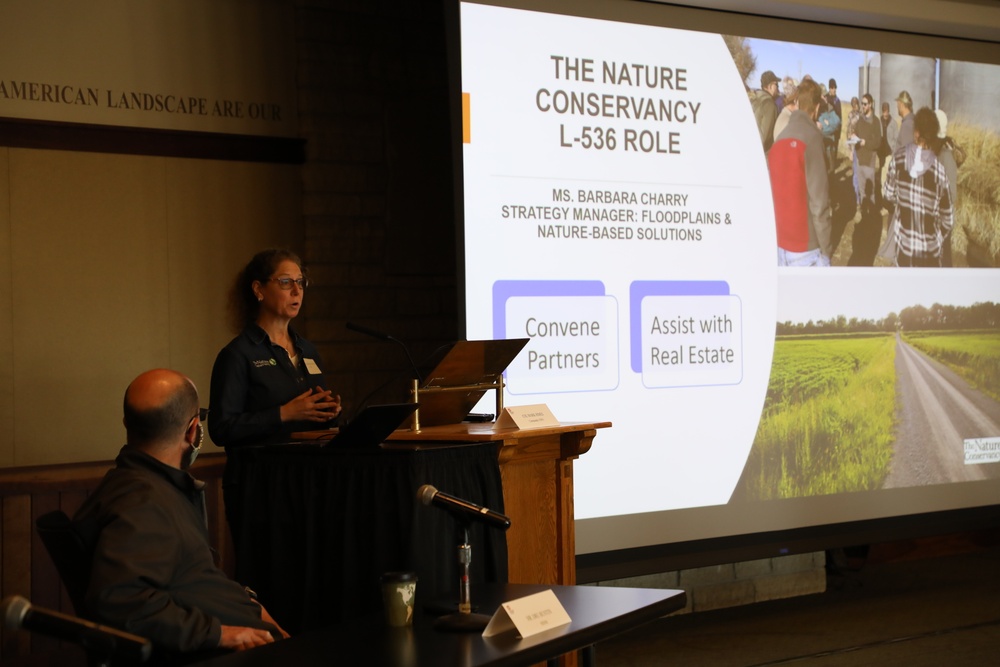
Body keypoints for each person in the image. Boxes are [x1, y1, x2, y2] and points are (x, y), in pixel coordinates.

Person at [73, 369, 288, 655]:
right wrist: (220, 634)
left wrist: (250, 605)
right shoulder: (142, 503)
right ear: (193, 429)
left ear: (127, 423)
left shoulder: (148, 484)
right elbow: (120, 600)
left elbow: (192, 579)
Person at [209, 248, 342, 449]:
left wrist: (329, 413)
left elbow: (313, 423)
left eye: (301, 282)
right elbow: (221, 429)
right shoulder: (238, 354)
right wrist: (283, 414)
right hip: (261, 474)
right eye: (286, 282)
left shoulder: (308, 350)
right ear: (258, 289)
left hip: (307, 471)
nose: (297, 291)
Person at [769, 78, 833, 266]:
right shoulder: (812, 139)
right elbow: (819, 203)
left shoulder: (779, 139)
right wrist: (827, 249)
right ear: (817, 109)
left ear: (797, 103)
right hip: (806, 248)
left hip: (779, 244)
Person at [882, 107, 954, 267]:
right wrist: (935, 239)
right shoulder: (940, 172)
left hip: (903, 255)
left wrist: (904, 200)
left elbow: (887, 194)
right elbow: (948, 220)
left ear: (916, 132)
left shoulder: (898, 159)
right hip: (930, 259)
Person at [847, 94, 882, 266]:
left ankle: (871, 219)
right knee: (861, 189)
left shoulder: (876, 122)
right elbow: (857, 135)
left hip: (869, 161)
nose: (863, 106)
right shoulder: (860, 120)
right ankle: (863, 213)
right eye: (862, 103)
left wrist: (865, 142)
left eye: (866, 104)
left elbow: (878, 142)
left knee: (871, 192)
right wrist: (853, 139)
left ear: (871, 104)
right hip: (859, 160)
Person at [935, 109, 959, 266]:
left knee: (944, 258)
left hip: (940, 220)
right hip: (933, 219)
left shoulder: (946, 156)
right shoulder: (935, 151)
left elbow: (952, 195)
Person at [750, 70, 780, 152]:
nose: (778, 88)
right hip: (762, 154)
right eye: (776, 84)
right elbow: (764, 137)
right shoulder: (769, 104)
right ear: (770, 86)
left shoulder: (755, 98)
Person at [772, 77, 798, 142]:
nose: (790, 88)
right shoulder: (779, 103)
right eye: (789, 85)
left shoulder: (789, 115)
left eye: (792, 85)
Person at [825, 78, 843, 161]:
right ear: (829, 88)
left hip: (835, 130)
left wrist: (838, 131)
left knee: (834, 149)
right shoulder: (825, 98)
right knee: (826, 150)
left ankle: (833, 168)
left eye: (835, 88)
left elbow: (840, 116)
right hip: (827, 130)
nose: (834, 90)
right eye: (832, 88)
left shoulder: (837, 100)